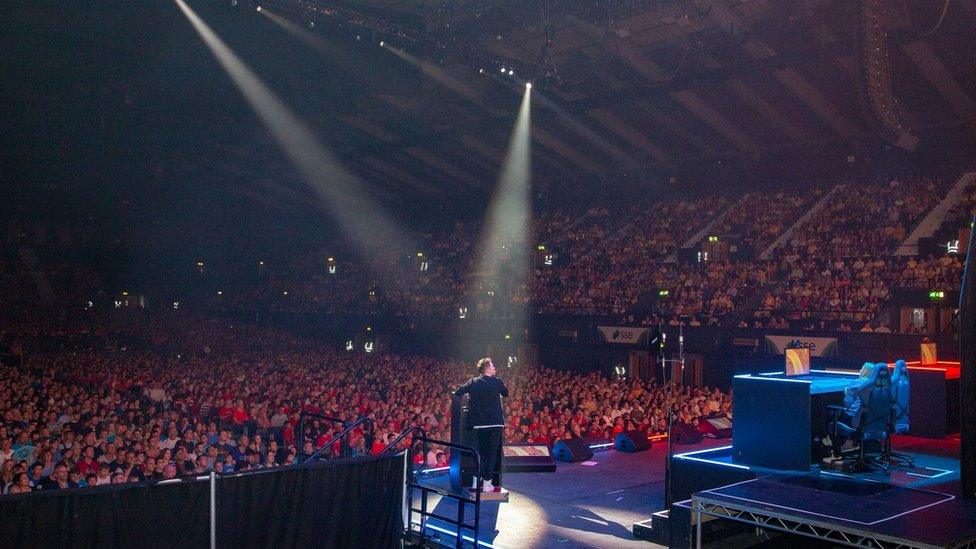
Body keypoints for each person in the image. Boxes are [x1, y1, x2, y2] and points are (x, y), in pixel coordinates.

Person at [453, 357, 508, 493]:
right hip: (495, 424)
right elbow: (506, 393)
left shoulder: (473, 382)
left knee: (481, 454)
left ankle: (475, 482)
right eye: (493, 366)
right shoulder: (497, 382)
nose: (495, 368)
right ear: (487, 368)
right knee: (491, 455)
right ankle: (487, 484)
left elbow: (458, 392)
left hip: (480, 425)